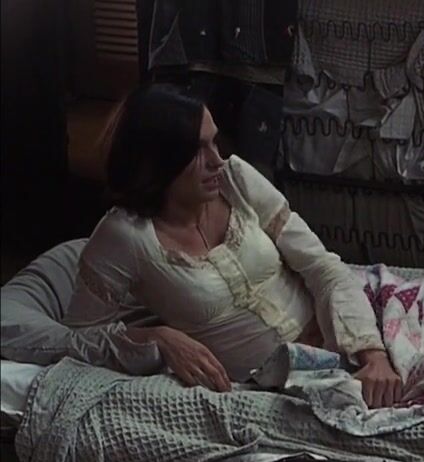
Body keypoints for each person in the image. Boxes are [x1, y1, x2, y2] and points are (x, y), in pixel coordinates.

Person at [64, 84, 402, 408]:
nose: (216, 160)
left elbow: (322, 266)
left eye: (214, 142)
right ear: (157, 160)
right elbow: (79, 336)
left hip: (348, 337)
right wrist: (157, 337)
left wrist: (372, 354)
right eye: (197, 150)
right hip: (278, 386)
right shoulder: (124, 236)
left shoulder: (236, 179)